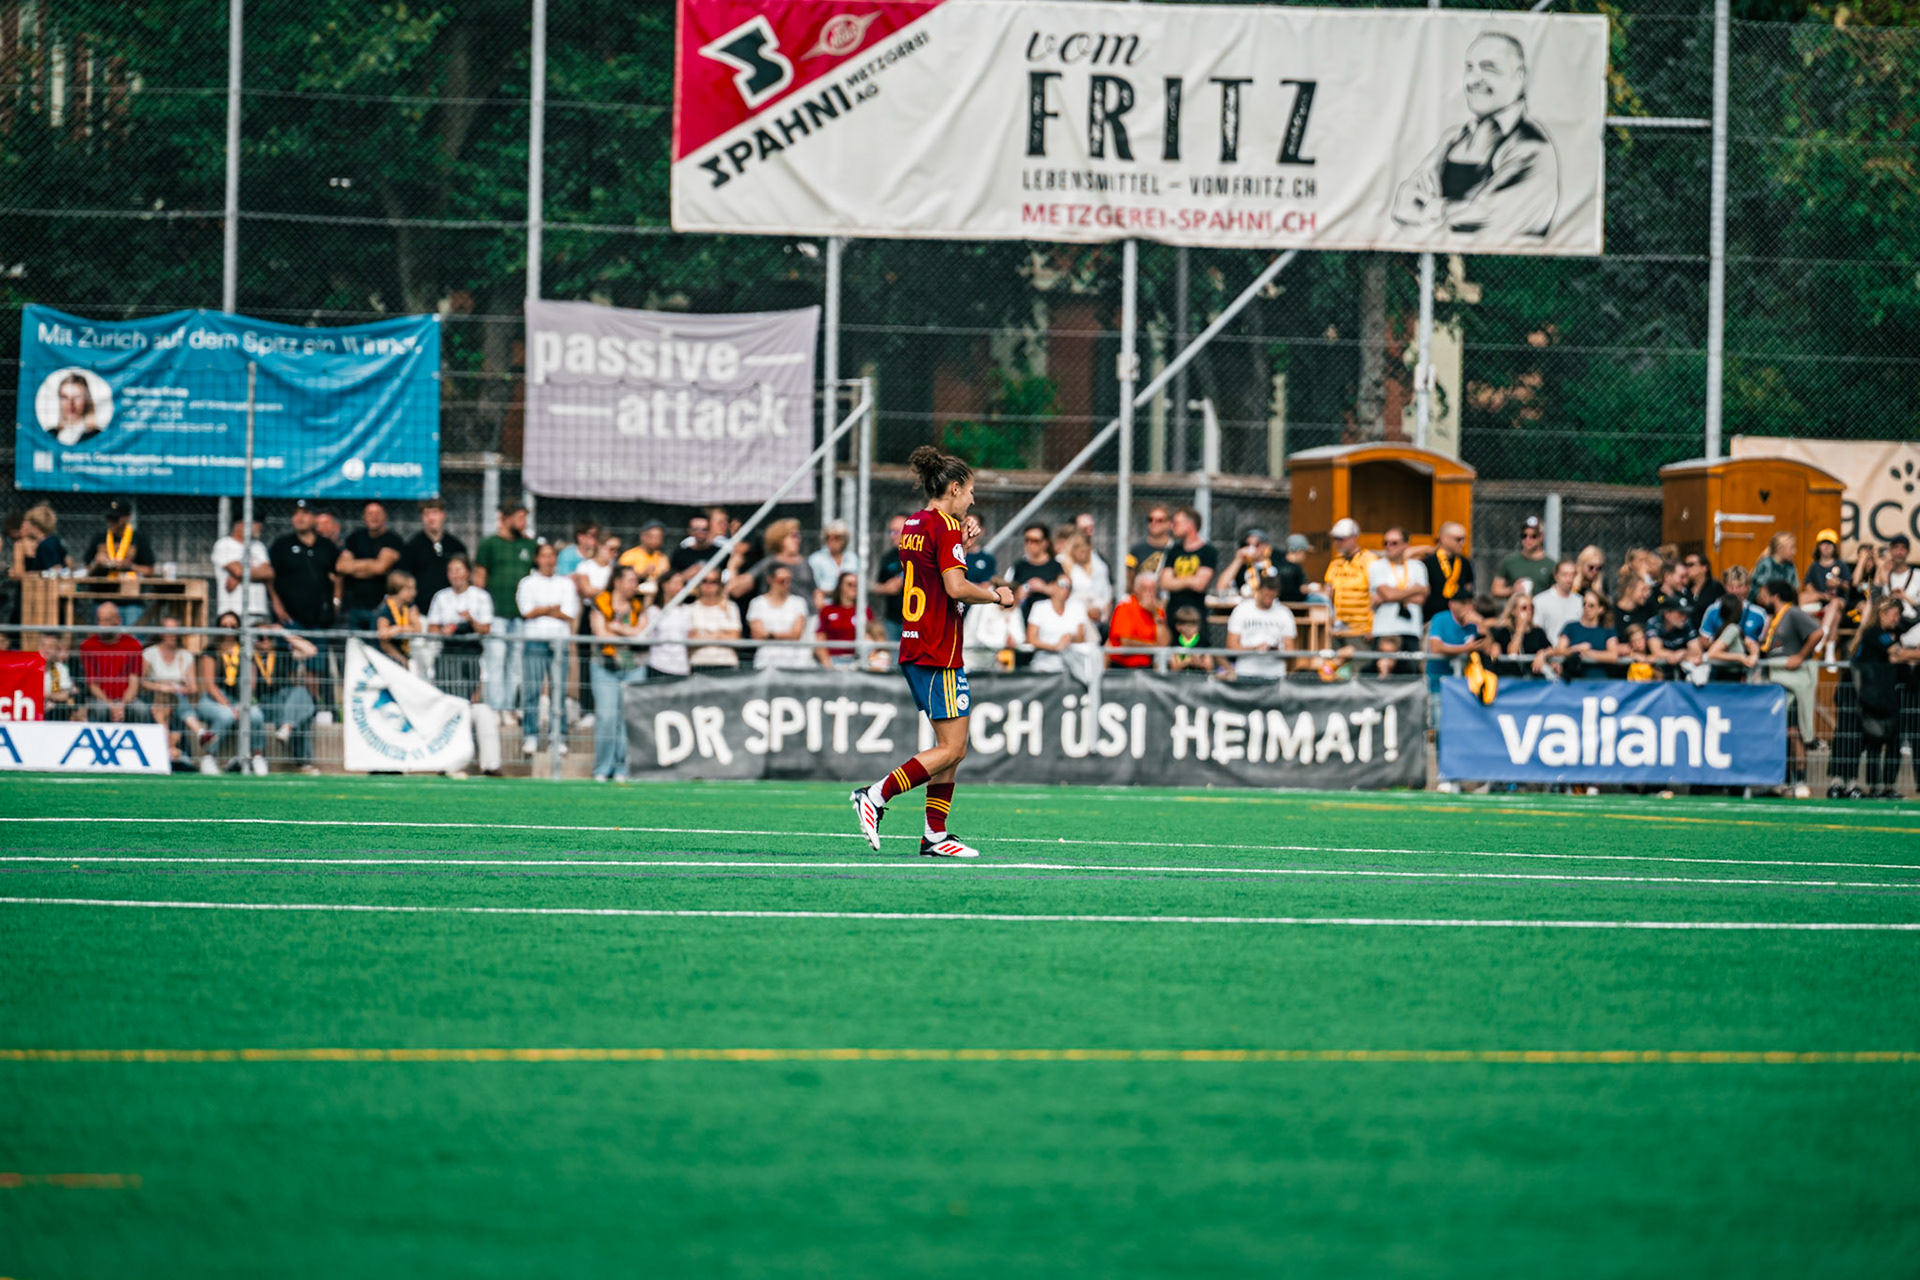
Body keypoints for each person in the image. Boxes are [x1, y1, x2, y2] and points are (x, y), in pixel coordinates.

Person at [851, 446, 1018, 860]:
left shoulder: (916, 521)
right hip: (937, 648)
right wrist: (996, 595)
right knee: (952, 748)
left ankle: (935, 835)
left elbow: (930, 569)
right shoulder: (943, 525)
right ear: (955, 488)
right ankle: (875, 795)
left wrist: (959, 540)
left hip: (918, 643)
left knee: (952, 747)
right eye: (971, 491)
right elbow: (955, 587)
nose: (972, 500)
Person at [1390, 31, 1560, 240]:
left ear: (1519, 76)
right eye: (1470, 68)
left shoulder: (1532, 147)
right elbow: (1404, 205)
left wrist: (1430, 209)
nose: (1473, 80)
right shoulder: (1454, 138)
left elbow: (1487, 220)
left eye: (1488, 68)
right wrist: (1452, 212)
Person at [1756, 576, 1824, 796]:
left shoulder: (1793, 613)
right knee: (1780, 732)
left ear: (1775, 596)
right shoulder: (1773, 618)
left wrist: (1801, 656)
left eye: (1764, 594)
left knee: (1794, 731)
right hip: (1776, 681)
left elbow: (1817, 632)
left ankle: (1800, 779)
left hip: (1792, 681)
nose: (1761, 598)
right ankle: (1782, 779)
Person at [473, 503, 536, 721]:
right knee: (496, 661)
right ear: (506, 518)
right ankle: (495, 709)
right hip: (496, 614)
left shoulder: (529, 544)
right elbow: (479, 580)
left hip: (521, 616)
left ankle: (508, 707)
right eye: (520, 517)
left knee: (515, 664)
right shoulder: (489, 544)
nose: (524, 523)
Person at [515, 541, 579, 756]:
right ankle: (530, 736)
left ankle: (558, 737)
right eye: (544, 555)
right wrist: (553, 608)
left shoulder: (565, 583)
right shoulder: (527, 583)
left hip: (559, 641)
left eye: (552, 555)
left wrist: (541, 610)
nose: (548, 560)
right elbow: (526, 611)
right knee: (532, 691)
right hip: (534, 640)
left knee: (558, 691)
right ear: (537, 559)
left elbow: (569, 613)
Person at [587, 564, 650, 781]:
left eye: (636, 581)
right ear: (617, 581)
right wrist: (629, 633)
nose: (634, 585)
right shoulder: (600, 602)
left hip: (633, 667)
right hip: (605, 666)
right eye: (630, 580)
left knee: (627, 718)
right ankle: (602, 767)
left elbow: (642, 632)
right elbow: (601, 634)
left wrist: (618, 628)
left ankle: (622, 767)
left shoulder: (639, 605)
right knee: (606, 716)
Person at [1850, 595, 1913, 799]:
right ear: (1882, 614)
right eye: (1894, 614)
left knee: (1893, 741)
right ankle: (1875, 785)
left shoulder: (1889, 634)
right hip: (1873, 696)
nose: (1897, 619)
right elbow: (1897, 654)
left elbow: (1896, 656)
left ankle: (1888, 785)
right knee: (1875, 741)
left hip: (1887, 696)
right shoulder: (1875, 633)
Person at [427, 554, 494, 708]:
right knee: (447, 697)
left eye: (458, 570)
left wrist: (471, 620)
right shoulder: (441, 596)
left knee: (468, 698)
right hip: (447, 654)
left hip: (471, 654)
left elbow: (486, 628)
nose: (454, 575)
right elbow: (432, 628)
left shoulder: (481, 596)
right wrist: (443, 631)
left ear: (468, 573)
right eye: (451, 571)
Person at [142, 616, 208, 765]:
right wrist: (161, 687)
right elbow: (141, 682)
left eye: (175, 631)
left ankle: (170, 750)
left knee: (176, 699)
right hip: (154, 697)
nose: (171, 635)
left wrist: (177, 687)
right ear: (161, 633)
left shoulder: (186, 656)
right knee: (166, 703)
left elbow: (193, 687)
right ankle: (198, 732)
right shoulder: (149, 654)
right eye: (168, 631)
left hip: (177, 700)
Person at [335, 502, 405, 637]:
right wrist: (372, 564)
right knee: (354, 646)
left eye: (378, 514)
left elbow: (380, 568)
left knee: (377, 646)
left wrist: (354, 567)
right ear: (363, 517)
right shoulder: (354, 538)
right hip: (354, 606)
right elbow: (341, 567)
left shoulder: (393, 540)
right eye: (370, 514)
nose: (374, 517)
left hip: (382, 607)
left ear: (385, 517)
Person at [1367, 526, 1429, 676]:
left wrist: (1391, 595)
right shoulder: (1377, 566)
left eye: (1394, 543)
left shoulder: (1418, 567)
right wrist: (1414, 589)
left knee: (1409, 673)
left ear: (1405, 545)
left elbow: (1422, 597)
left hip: (1410, 630)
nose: (1389, 546)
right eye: (1386, 543)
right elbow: (1388, 594)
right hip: (1384, 629)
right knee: (1383, 672)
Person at [1224, 568, 1298, 681]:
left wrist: (1276, 650)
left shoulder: (1284, 613)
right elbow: (1231, 646)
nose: (1268, 601)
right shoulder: (1242, 610)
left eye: (1272, 597)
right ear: (1258, 591)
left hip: (1275, 673)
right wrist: (1255, 648)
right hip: (1246, 671)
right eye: (1265, 596)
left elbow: (1290, 649)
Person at [80, 601, 148, 724]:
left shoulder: (133, 645)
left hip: (127, 699)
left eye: (107, 621)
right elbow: (92, 684)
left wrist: (122, 705)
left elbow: (134, 682)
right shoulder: (88, 646)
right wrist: (110, 705)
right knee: (100, 709)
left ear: (118, 620)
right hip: (100, 699)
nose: (102, 625)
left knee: (141, 710)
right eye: (99, 620)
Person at [1159, 507, 1218, 647]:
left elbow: (1200, 585)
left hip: (1195, 613)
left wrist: (1176, 580)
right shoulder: (1173, 551)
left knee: (1197, 651)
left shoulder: (1208, 551)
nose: (1172, 526)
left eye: (1176, 523)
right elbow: (1165, 583)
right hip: (1173, 612)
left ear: (1190, 524)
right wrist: (1191, 580)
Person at [399, 499, 466, 609]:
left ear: (443, 515)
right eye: (427, 514)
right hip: (420, 609)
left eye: (435, 513)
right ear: (422, 517)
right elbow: (404, 579)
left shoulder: (455, 546)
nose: (431, 518)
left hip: (451, 608)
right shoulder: (411, 546)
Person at [748, 562, 815, 670]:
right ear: (770, 580)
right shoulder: (757, 603)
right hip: (765, 662)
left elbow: (797, 634)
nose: (786, 584)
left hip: (794, 662)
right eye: (782, 580)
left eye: (789, 580)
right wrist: (787, 634)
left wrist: (769, 635)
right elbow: (757, 635)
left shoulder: (798, 602)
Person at [1026, 570, 1090, 674]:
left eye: (1069, 587)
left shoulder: (1078, 607)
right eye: (1062, 584)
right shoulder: (1039, 607)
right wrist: (1054, 647)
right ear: (1052, 585)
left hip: (1070, 669)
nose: (1065, 589)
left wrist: (1070, 637)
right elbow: (1031, 639)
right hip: (1043, 667)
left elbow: (1080, 638)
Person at [1322, 518, 1375, 639]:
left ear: (1354, 538)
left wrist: (1373, 627)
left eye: (1342, 539)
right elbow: (1326, 593)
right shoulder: (1335, 563)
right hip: (1338, 629)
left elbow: (1375, 594)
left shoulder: (1369, 561)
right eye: (1335, 539)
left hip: (1362, 630)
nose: (1337, 543)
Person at [212, 517, 271, 621]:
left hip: (258, 611)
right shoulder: (224, 544)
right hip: (232, 612)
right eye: (256, 522)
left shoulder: (259, 546)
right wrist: (256, 571)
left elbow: (269, 573)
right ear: (240, 523)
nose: (260, 527)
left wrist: (239, 576)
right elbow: (238, 571)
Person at [1107, 571, 1167, 669]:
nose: (1149, 593)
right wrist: (1153, 646)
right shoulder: (1125, 607)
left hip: (1147, 666)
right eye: (1145, 589)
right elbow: (1126, 642)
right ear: (1136, 589)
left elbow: (1164, 643)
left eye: (1152, 589)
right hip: (1122, 666)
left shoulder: (1158, 610)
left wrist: (1155, 615)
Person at [687, 569, 744, 673]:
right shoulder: (690, 609)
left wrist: (704, 635)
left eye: (714, 581)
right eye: (705, 581)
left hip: (727, 663)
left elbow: (735, 639)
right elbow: (690, 640)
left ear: (720, 585)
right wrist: (721, 634)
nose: (709, 585)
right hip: (699, 663)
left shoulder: (731, 607)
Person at [1557, 590, 1621, 679]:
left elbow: (1613, 656)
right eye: (1584, 604)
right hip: (1573, 680)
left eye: (1591, 605)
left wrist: (1589, 653)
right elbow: (1559, 650)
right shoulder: (1570, 627)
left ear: (1600, 609)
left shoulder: (1608, 629)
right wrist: (1576, 649)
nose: (1586, 608)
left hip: (1600, 681)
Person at [1486, 592, 1552, 679]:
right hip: (1510, 678)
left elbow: (1550, 649)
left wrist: (1543, 653)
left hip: (1533, 679)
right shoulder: (1503, 631)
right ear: (1514, 611)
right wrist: (1520, 630)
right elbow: (1513, 653)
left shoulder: (1538, 632)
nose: (1529, 611)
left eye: (1531, 607)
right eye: (1524, 608)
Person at [1006, 521, 1062, 624]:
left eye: (1035, 541)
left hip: (1049, 622)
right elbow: (1008, 594)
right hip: (1023, 620)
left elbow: (1064, 591)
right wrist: (1019, 594)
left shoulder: (1056, 567)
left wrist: (1043, 588)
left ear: (1045, 543)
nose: (1030, 544)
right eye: (1027, 540)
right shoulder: (1019, 566)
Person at [1421, 522, 1476, 620]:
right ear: (1443, 539)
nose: (1462, 543)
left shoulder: (1465, 562)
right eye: (1458, 539)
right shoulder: (1428, 562)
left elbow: (1468, 588)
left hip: (1457, 618)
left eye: (1464, 539)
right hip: (1432, 616)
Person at [1492, 515, 1554, 600]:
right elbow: (1496, 590)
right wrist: (1512, 590)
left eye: (1533, 536)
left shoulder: (1551, 565)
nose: (1528, 539)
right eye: (1524, 535)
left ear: (1541, 537)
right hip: (1517, 606)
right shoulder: (1510, 561)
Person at [816, 573, 871, 667]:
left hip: (856, 661)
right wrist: (827, 664)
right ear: (841, 586)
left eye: (856, 585)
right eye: (849, 584)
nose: (853, 588)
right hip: (833, 660)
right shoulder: (827, 611)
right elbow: (820, 638)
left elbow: (870, 637)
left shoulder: (864, 611)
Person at [870, 513, 910, 642]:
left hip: (917, 620)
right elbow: (877, 585)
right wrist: (885, 588)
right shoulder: (888, 558)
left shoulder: (923, 554)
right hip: (893, 621)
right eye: (891, 532)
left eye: (897, 532)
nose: (893, 536)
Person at [372, 570, 423, 666]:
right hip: (385, 661)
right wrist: (402, 660)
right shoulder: (384, 610)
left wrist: (399, 629)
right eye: (409, 589)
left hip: (402, 658)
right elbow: (384, 639)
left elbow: (418, 629)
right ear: (397, 588)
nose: (414, 593)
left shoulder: (409, 607)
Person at [1060, 531, 1112, 625]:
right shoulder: (1062, 565)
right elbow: (1060, 590)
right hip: (1070, 613)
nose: (1084, 555)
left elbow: (1106, 595)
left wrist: (1103, 618)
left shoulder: (1098, 566)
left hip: (1096, 614)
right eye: (1080, 551)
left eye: (1086, 552)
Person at [808, 521, 860, 610]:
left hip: (849, 606)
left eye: (836, 538)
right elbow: (814, 586)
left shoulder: (852, 558)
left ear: (844, 540)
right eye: (828, 537)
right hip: (824, 605)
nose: (831, 541)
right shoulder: (816, 559)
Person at [1533, 559, 1583, 644]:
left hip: (1575, 650)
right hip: (1549, 649)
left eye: (1572, 574)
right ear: (1556, 576)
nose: (1569, 578)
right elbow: (1536, 631)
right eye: (1564, 574)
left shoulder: (1581, 601)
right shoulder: (1540, 601)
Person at [1220, 529, 1277, 602]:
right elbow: (1221, 589)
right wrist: (1238, 559)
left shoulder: (1275, 565)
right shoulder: (1241, 568)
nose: (1251, 548)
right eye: (1247, 545)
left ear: (1265, 546)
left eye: (1256, 545)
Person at [51, 371, 103, 444]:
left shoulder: (98, 436)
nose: (70, 403)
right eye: (64, 397)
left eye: (77, 397)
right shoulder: (50, 435)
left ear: (86, 400)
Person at [618, 520, 672, 589]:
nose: (655, 541)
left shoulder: (663, 558)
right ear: (643, 536)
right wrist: (643, 574)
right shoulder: (629, 556)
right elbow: (622, 579)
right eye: (652, 537)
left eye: (659, 537)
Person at [1126, 505, 1175, 579]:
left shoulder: (1176, 549)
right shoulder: (1136, 550)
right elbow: (1129, 577)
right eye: (1150, 519)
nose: (1153, 523)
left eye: (1159, 520)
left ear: (1170, 524)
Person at [40, 632, 77, 720]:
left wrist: (46, 695)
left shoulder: (59, 669)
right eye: (43, 645)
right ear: (38, 647)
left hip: (51, 713)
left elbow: (64, 695)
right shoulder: (28, 666)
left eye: (50, 646)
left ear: (56, 650)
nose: (46, 649)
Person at [1167, 606, 1213, 674]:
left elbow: (1209, 667)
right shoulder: (1174, 643)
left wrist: (1199, 663)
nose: (1192, 629)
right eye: (1188, 626)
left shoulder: (1203, 642)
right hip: (1179, 678)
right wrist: (1187, 661)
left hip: (1199, 678)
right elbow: (1173, 668)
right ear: (1178, 627)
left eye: (1194, 625)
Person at [1752, 531, 1800, 597]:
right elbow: (1762, 593)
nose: (1795, 552)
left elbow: (1795, 589)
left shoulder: (1790, 566)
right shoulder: (1767, 564)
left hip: (1783, 600)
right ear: (1780, 548)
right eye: (1792, 548)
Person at [962, 520, 997, 585]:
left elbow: (987, 584)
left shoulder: (988, 559)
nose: (970, 531)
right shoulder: (956, 555)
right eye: (967, 527)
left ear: (982, 530)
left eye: (974, 527)